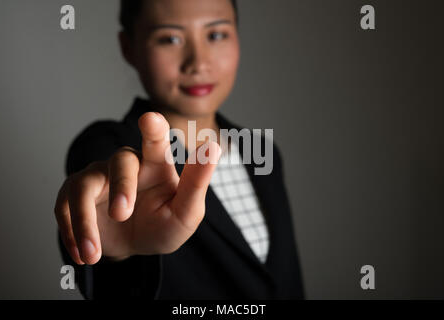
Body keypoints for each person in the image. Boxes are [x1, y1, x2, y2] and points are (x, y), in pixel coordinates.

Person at [54, 0, 304, 299]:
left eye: (216, 35)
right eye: (170, 39)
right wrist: (115, 254)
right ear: (128, 47)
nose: (198, 62)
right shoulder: (109, 146)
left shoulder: (262, 151)